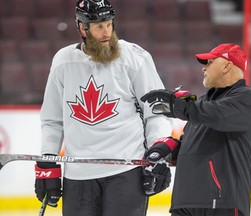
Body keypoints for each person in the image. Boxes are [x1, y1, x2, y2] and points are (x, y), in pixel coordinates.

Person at [33, 0, 176, 215]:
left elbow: (156, 112)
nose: (106, 32)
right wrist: (48, 162)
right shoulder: (63, 61)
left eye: (109, 24)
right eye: (99, 26)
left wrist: (158, 153)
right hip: (78, 175)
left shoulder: (134, 57)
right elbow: (52, 120)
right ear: (82, 27)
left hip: (126, 172)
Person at [141, 43, 251, 216]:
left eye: (210, 62)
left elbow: (216, 116)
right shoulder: (203, 104)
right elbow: (193, 141)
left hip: (222, 203)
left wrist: (178, 106)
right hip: (184, 203)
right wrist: (166, 150)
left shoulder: (246, 98)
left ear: (227, 65)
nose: (204, 68)